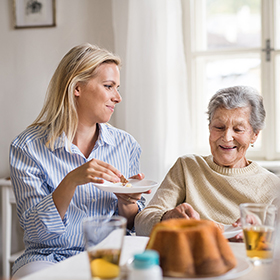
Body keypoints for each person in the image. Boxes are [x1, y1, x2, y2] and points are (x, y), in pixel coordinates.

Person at [10, 43, 149, 278]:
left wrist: (127, 202)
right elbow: (35, 232)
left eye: (117, 88)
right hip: (48, 257)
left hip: (110, 254)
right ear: (77, 88)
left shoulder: (126, 145)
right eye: (109, 87)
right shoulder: (27, 146)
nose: (118, 97)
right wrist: (71, 180)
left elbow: (132, 223)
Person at [135, 85, 280, 238]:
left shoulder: (272, 185)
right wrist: (167, 218)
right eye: (219, 127)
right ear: (210, 127)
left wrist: (262, 237)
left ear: (255, 135)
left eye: (238, 129)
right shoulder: (187, 167)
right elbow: (140, 224)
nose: (227, 137)